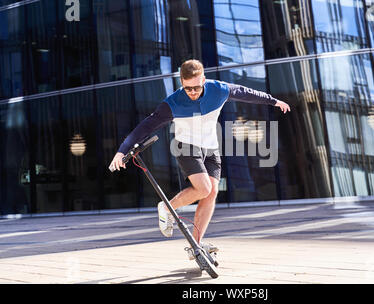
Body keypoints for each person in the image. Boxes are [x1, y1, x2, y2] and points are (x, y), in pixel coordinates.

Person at [109, 59, 290, 259]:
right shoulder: (172, 103)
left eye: (196, 87)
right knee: (203, 188)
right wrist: (121, 151)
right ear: (181, 83)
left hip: (211, 149)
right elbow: (145, 127)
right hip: (186, 147)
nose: (193, 93)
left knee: (211, 193)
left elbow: (244, 92)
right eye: (188, 89)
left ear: (203, 79)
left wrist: (273, 101)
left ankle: (195, 246)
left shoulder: (219, 90)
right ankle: (166, 207)